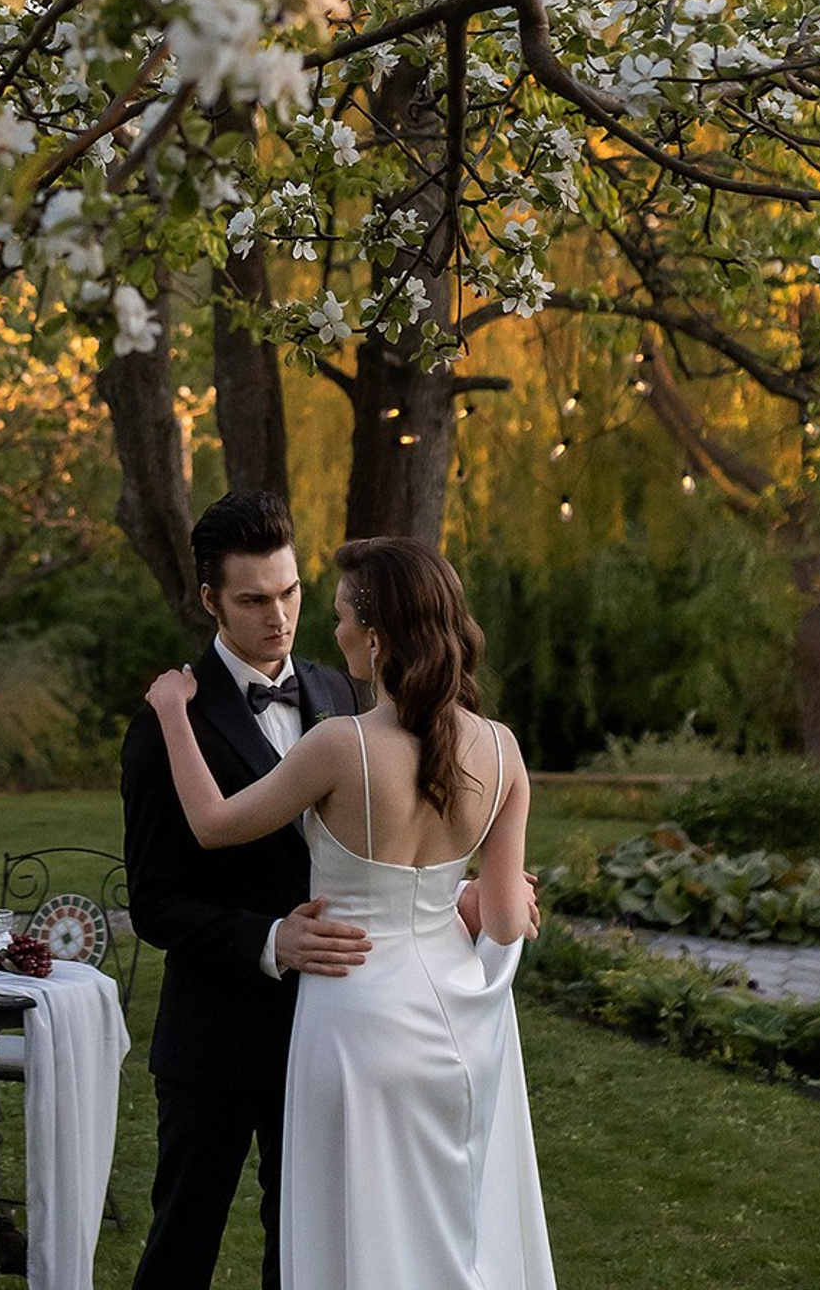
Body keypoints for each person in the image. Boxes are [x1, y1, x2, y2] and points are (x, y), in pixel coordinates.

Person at [145, 535, 556, 1290]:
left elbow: (210, 823)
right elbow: (501, 921)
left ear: (376, 635)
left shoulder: (341, 746)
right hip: (455, 1025)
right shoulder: (503, 749)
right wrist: (468, 898)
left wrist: (173, 713)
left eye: (335, 615)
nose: (327, 632)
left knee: (354, 1229)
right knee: (443, 1229)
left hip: (356, 1016)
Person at [119, 491, 367, 1290]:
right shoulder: (167, 720)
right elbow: (154, 901)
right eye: (254, 600)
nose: (280, 616)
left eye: (291, 592)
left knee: (302, 1250)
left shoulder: (338, 692)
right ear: (209, 600)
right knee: (181, 1247)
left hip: (330, 1027)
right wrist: (268, 941)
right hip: (214, 1039)